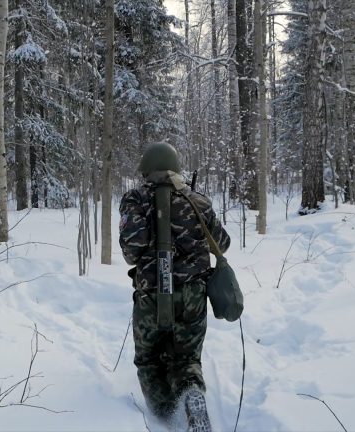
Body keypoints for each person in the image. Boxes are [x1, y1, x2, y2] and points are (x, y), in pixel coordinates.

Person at [118, 143, 231, 431]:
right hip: (192, 295)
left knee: (148, 358)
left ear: (147, 169)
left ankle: (166, 419)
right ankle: (192, 394)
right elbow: (223, 243)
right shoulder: (198, 201)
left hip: (150, 296)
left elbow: (132, 250)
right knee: (187, 357)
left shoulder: (135, 199)